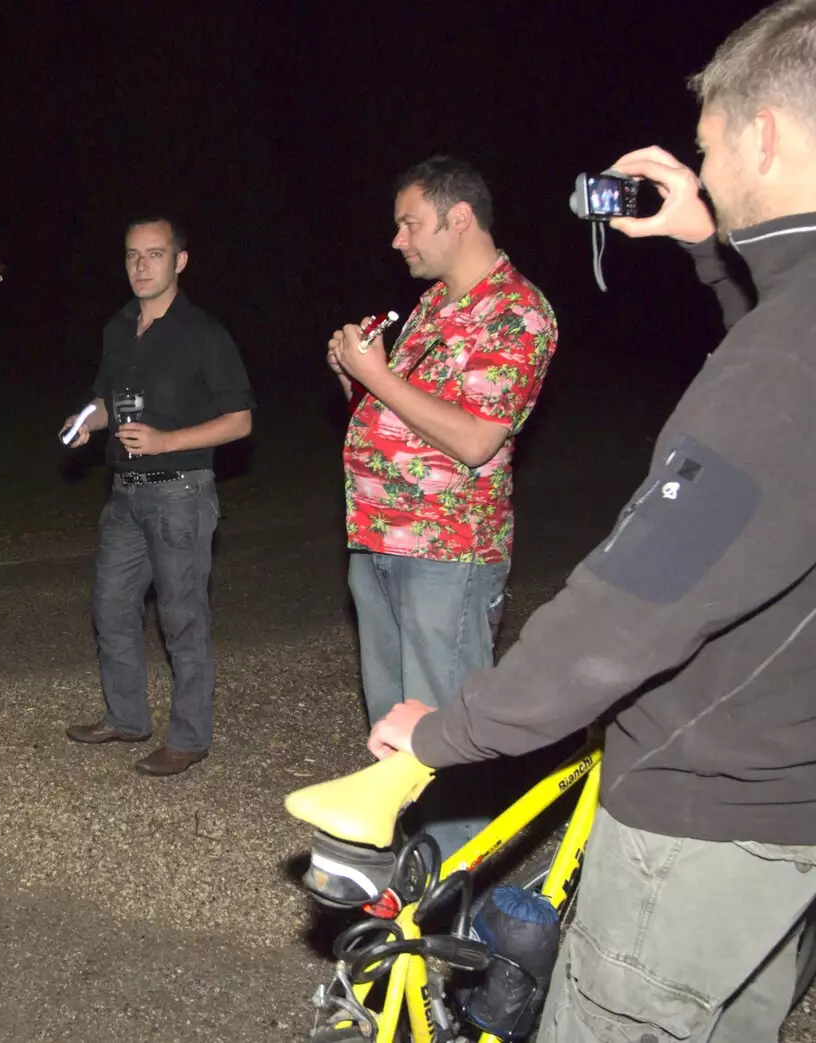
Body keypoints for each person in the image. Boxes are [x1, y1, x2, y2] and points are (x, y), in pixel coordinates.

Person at [369, 3, 816, 1038]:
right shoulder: (791, 331)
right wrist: (710, 248)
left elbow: (634, 605)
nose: (703, 176)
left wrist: (447, 729)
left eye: (707, 151)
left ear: (765, 135)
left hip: (712, 803)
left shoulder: (778, 363)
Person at [327, 156, 558, 854]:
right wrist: (355, 379)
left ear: (460, 219)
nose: (399, 240)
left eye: (410, 223)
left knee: (446, 728)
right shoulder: (434, 305)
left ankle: (456, 886)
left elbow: (474, 439)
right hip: (378, 541)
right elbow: (402, 420)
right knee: (394, 722)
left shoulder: (519, 313)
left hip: (447, 554)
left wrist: (376, 375)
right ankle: (408, 864)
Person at [61, 216, 254, 777]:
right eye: (131, 256)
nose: (141, 266)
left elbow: (239, 420)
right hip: (124, 493)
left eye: (154, 254)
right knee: (111, 606)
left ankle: (189, 738)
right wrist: (85, 422)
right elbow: (106, 400)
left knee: (181, 617)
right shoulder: (118, 328)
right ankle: (127, 717)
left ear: (179, 261)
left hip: (181, 495)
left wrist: (168, 440)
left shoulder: (205, 334)